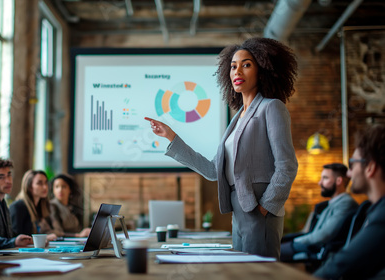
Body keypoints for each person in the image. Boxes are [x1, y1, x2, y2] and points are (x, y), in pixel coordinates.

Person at [145, 37, 298, 258]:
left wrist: (266, 207)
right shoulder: (236, 119)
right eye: (233, 66)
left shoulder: (271, 107)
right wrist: (171, 136)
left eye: (246, 64)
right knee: (241, 272)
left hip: (259, 208)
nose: (238, 71)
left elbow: (287, 165)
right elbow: (211, 170)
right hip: (239, 208)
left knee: (258, 273)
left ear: (263, 70)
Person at [314, 125, 385, 279]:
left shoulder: (382, 215)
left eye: (352, 164)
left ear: (370, 168)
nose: (348, 173)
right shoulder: (373, 209)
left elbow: (343, 263)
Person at [280, 163, 358, 261]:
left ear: (339, 181)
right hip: (313, 245)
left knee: (272, 252)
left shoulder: (345, 203)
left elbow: (323, 235)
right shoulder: (331, 203)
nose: (319, 183)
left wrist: (295, 241)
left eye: (325, 178)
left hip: (318, 248)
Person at [10, 170, 57, 241]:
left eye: (46, 183)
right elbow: (16, 238)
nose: (45, 187)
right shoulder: (18, 207)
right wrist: (44, 238)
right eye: (39, 183)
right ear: (29, 187)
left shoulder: (40, 206)